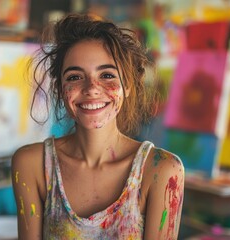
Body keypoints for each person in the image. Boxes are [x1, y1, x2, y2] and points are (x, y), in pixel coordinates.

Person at [11, 13, 184, 240]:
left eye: (107, 75)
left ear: (128, 85)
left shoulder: (162, 171)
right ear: (60, 90)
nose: (92, 88)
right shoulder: (32, 165)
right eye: (74, 77)